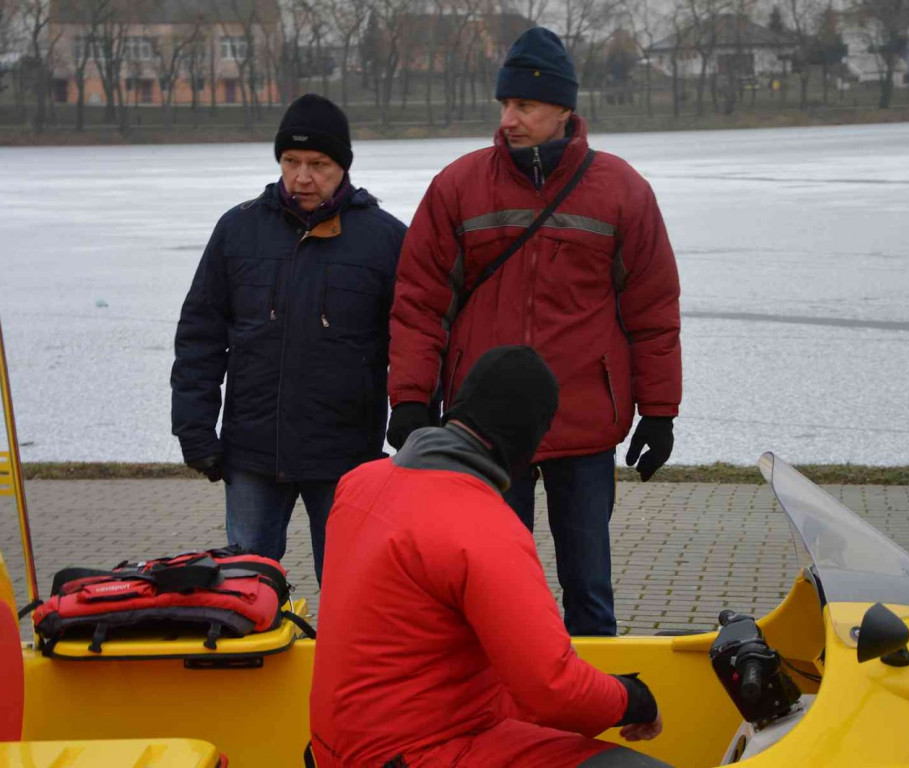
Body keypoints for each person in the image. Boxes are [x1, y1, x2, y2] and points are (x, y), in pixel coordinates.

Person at [385, 28, 682, 636]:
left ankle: (594, 709)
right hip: (486, 428)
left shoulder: (623, 190)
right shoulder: (458, 186)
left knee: (589, 593)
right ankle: (494, 712)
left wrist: (659, 410)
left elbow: (652, 310)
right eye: (504, 105)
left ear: (564, 109)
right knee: (490, 590)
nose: (509, 119)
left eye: (524, 105)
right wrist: (411, 399)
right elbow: (419, 303)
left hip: (584, 420)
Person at [310, 346, 668, 768]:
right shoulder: (483, 526)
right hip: (419, 751)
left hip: (338, 746)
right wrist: (635, 699)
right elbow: (553, 689)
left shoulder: (358, 483)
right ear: (529, 435)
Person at [171, 93, 406, 584]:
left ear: (342, 166)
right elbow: (200, 335)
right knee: (243, 592)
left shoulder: (385, 239)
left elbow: (412, 342)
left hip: (345, 458)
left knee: (352, 592)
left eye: (318, 164)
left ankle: (341, 665)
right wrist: (194, 428)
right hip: (253, 452)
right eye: (291, 161)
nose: (303, 176)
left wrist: (414, 426)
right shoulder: (237, 230)